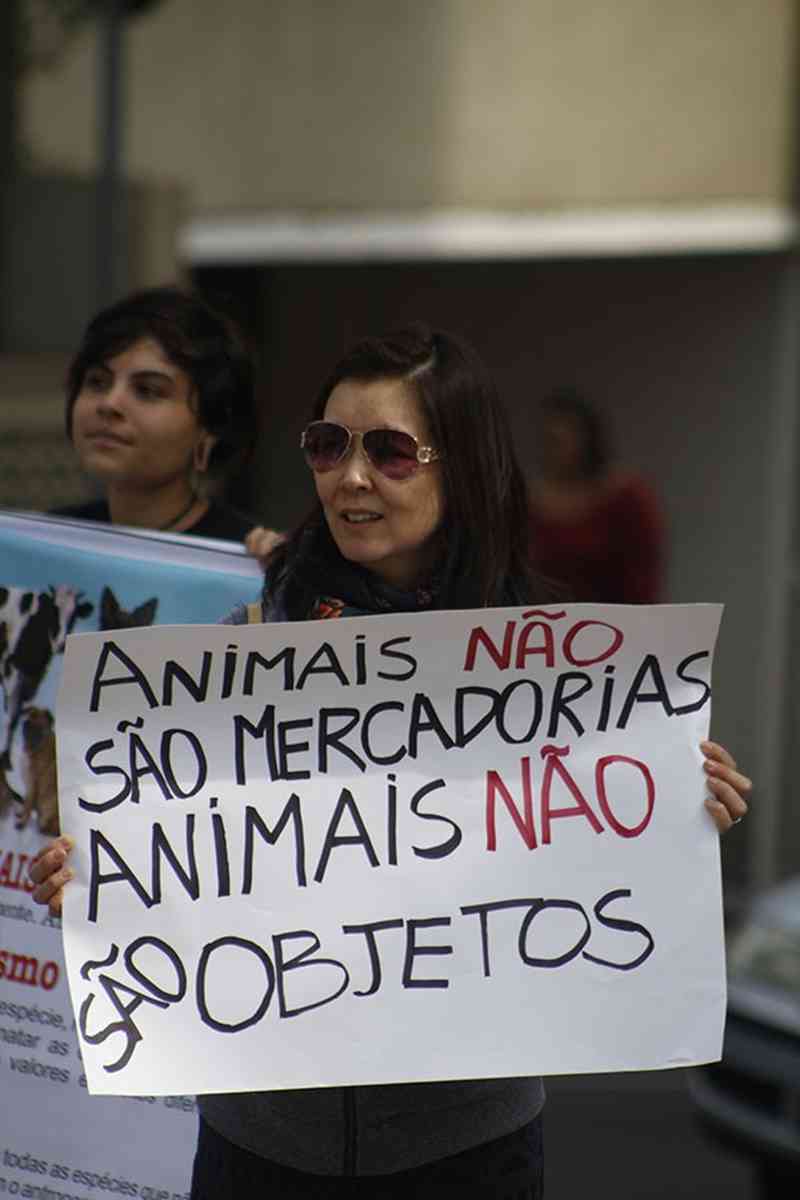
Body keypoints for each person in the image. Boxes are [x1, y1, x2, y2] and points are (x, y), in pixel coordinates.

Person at [30, 324, 751, 1198]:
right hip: (258, 1146)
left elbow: (603, 847)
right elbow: (167, 859)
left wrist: (681, 802)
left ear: (464, 465)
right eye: (329, 446)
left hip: (465, 1150)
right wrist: (98, 873)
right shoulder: (236, 659)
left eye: (392, 452)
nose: (353, 477)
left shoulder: (559, 671)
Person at [51, 284, 281, 547]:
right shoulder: (46, 544)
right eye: (97, 382)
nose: (109, 403)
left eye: (147, 390)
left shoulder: (247, 561)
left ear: (209, 428)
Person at [529, 388, 664, 603]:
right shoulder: (529, 502)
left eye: (560, 441)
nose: (553, 451)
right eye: (547, 441)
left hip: (619, 624)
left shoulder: (626, 497)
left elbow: (644, 577)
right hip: (549, 625)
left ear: (587, 440)